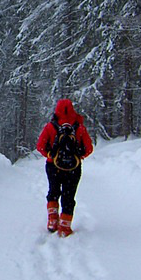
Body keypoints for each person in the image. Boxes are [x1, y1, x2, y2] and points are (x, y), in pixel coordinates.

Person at [36, 98, 93, 237]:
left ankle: (52, 221)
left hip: (53, 166)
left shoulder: (51, 126)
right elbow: (89, 148)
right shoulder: (79, 127)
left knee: (53, 191)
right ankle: (65, 227)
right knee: (69, 196)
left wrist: (50, 155)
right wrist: (78, 157)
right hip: (73, 168)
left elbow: (40, 146)